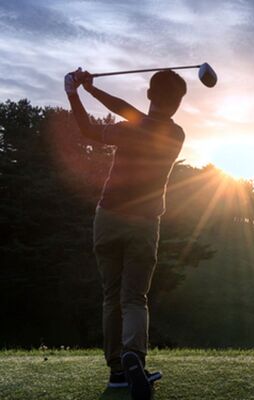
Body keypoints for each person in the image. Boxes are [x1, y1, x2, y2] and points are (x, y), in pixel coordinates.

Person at [65, 67, 186, 400]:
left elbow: (90, 128)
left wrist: (77, 92)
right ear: (177, 104)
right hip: (145, 223)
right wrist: (90, 89)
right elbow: (126, 109)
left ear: (149, 94)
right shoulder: (177, 135)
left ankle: (118, 371)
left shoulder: (129, 128)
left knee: (111, 296)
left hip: (108, 218)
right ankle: (135, 355)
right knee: (134, 298)